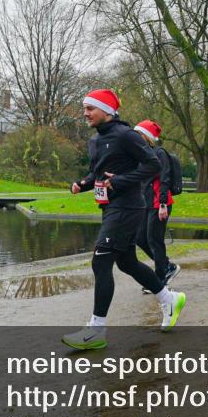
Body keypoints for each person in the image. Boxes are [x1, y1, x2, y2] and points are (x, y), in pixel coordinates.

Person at [62, 90, 186, 351]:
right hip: (110, 207)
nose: (85, 113)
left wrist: (118, 181)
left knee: (101, 260)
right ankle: (169, 298)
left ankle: (96, 330)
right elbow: (99, 173)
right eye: (84, 108)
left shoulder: (125, 135)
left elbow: (153, 164)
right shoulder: (96, 140)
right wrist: (82, 184)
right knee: (127, 262)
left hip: (128, 206)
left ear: (107, 110)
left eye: (90, 108)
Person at [134, 119, 180, 287]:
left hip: (159, 203)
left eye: (138, 134)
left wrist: (162, 204)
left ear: (146, 137)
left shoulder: (159, 153)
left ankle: (160, 279)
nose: (135, 137)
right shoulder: (141, 156)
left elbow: (164, 178)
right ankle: (167, 265)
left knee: (155, 240)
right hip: (145, 204)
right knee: (140, 238)